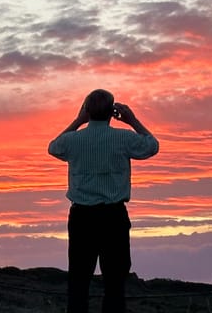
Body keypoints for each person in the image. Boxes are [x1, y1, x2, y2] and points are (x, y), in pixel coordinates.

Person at [48, 89, 159, 313]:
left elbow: (54, 147)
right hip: (113, 217)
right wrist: (132, 120)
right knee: (115, 284)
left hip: (82, 217)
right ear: (113, 113)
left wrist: (78, 120)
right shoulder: (124, 138)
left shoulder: (73, 141)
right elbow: (151, 145)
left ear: (87, 111)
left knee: (78, 282)